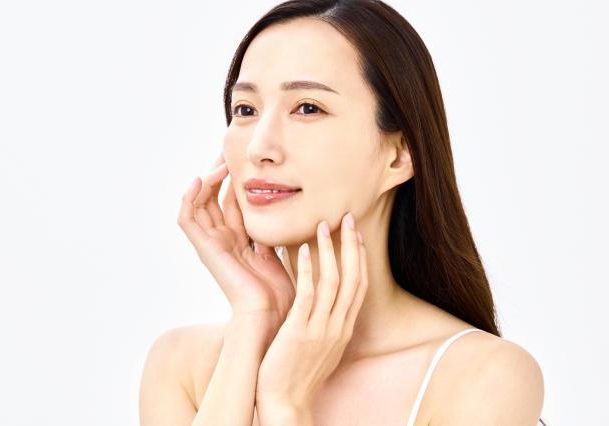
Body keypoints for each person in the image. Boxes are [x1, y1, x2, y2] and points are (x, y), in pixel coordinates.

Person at [139, 1, 545, 425]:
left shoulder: (483, 377)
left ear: (399, 155)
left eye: (308, 108)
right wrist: (253, 319)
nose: (259, 147)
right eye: (245, 109)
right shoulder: (181, 366)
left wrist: (285, 402)